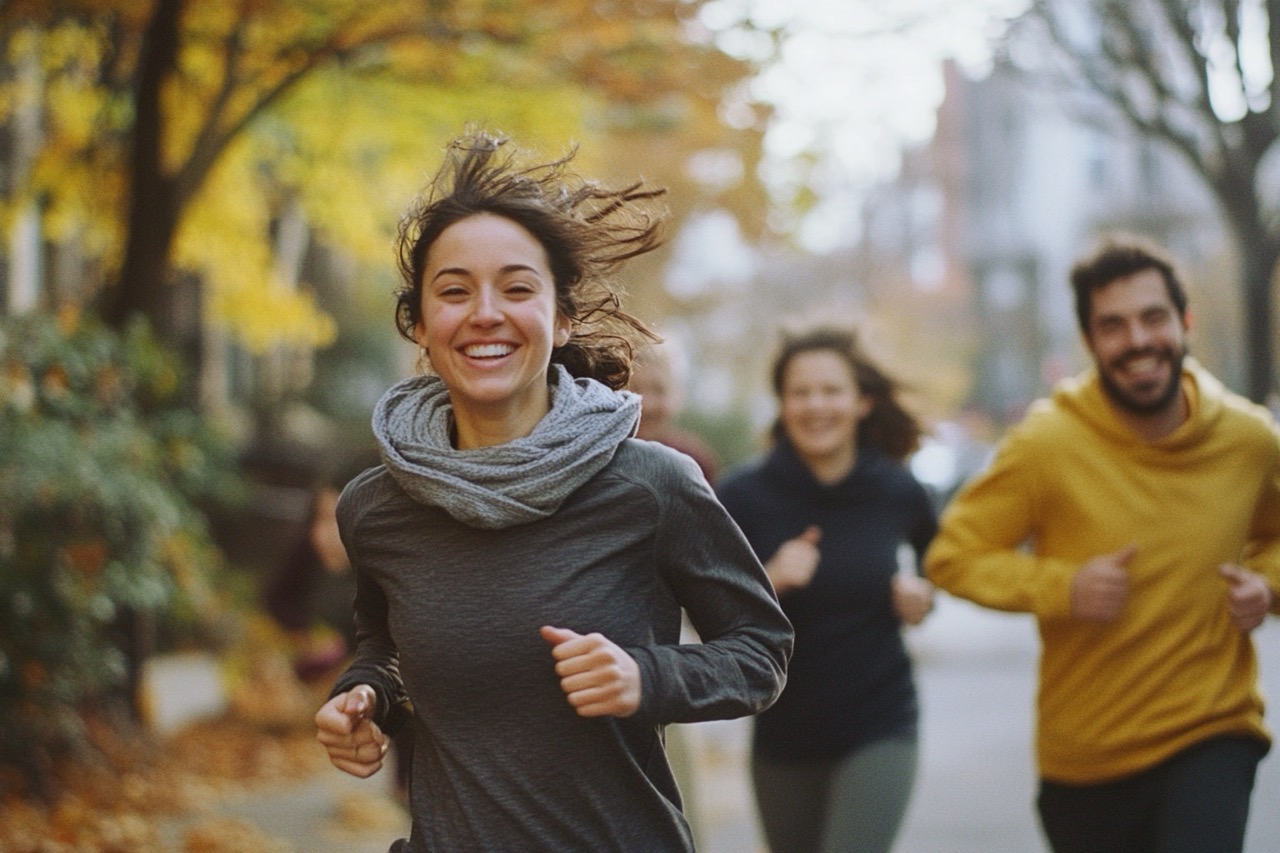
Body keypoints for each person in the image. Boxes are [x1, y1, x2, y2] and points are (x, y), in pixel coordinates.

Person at [312, 130, 793, 853]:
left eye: (516, 287)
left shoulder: (651, 484)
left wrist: (647, 674)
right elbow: (387, 645)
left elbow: (762, 649)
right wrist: (367, 697)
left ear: (561, 316)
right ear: (419, 322)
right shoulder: (377, 507)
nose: (484, 313)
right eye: (453, 290)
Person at [924, 234, 1280, 853]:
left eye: (1153, 318)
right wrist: (1063, 586)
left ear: (1184, 322)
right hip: (1086, 757)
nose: (1138, 340)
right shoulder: (1047, 445)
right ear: (1090, 343)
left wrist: (1269, 584)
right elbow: (953, 557)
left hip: (1212, 728)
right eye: (1113, 325)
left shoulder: (1249, 442)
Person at [716, 325, 938, 853]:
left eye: (831, 390)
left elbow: (940, 557)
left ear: (862, 402)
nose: (816, 405)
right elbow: (710, 618)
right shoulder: (743, 497)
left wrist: (923, 593)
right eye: (801, 392)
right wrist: (768, 581)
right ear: (782, 403)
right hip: (782, 735)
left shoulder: (896, 489)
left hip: (879, 724)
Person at [630, 341, 720, 483]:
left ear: (676, 394)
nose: (647, 405)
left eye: (659, 390)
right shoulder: (598, 457)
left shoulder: (694, 461)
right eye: (634, 389)